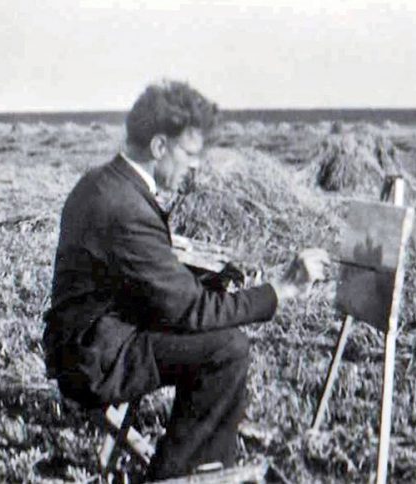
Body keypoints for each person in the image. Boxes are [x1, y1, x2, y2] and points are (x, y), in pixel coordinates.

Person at [42, 80, 329, 479]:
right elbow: (191, 311)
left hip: (87, 339)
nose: (196, 166)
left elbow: (133, 276)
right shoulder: (125, 206)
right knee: (226, 349)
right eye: (190, 154)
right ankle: (183, 473)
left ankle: (202, 462)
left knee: (219, 337)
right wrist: (280, 291)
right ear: (159, 147)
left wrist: (186, 272)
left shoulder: (102, 182)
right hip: (95, 359)